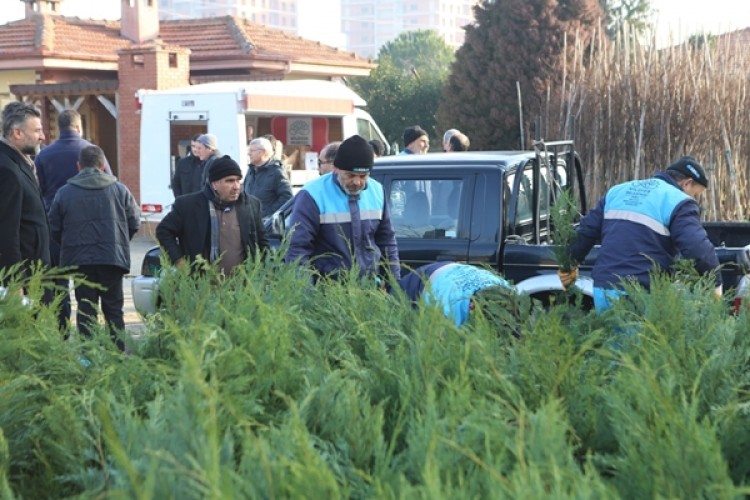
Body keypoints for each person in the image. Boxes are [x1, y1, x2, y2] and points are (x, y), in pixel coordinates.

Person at [558, 156, 722, 312]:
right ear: (687, 183)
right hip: (639, 291)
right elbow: (696, 247)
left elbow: (585, 231)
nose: (694, 198)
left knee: (614, 341)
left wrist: (569, 264)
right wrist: (715, 284)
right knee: (641, 342)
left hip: (604, 288)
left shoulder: (618, 191)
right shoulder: (678, 200)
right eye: (696, 193)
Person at [48, 145, 140, 350]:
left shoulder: (64, 193)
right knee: (114, 311)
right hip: (112, 259)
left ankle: (89, 357)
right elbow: (134, 222)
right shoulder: (120, 189)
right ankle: (116, 356)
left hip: (80, 261)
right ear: (102, 165)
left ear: (78, 166)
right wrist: (120, 241)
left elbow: (53, 228)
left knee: (86, 310)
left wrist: (67, 244)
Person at [285, 134, 400, 281]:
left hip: (368, 289)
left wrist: (395, 287)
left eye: (363, 176)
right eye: (350, 175)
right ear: (335, 168)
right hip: (326, 290)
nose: (357, 182)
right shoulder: (312, 195)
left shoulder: (377, 191)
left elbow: (387, 242)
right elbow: (297, 249)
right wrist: (306, 294)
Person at [156, 155, 268, 276]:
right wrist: (178, 260)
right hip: (201, 285)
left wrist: (262, 270)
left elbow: (261, 241)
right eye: (229, 181)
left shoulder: (250, 204)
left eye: (238, 180)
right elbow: (163, 231)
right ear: (214, 184)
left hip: (242, 287)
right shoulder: (189, 206)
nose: (236, 186)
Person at [0, 102, 50, 296]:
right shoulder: (7, 169)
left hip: (34, 274)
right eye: (37, 130)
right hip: (25, 280)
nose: (42, 136)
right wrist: (15, 283)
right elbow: (6, 231)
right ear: (17, 133)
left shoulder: (19, 162)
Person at [35, 109, 113, 211]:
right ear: (78, 128)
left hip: (55, 213)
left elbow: (38, 189)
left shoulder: (43, 155)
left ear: (59, 129)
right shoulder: (94, 151)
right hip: (89, 211)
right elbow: (109, 181)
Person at [396, 262, 516, 327]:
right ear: (472, 307)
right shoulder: (448, 312)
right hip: (419, 282)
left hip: (454, 269)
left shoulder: (507, 292)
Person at [244, 137, 293, 218]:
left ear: (263, 152)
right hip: (251, 223)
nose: (249, 154)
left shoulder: (276, 172)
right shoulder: (251, 171)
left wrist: (269, 214)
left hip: (267, 226)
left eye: (252, 151)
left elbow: (287, 197)